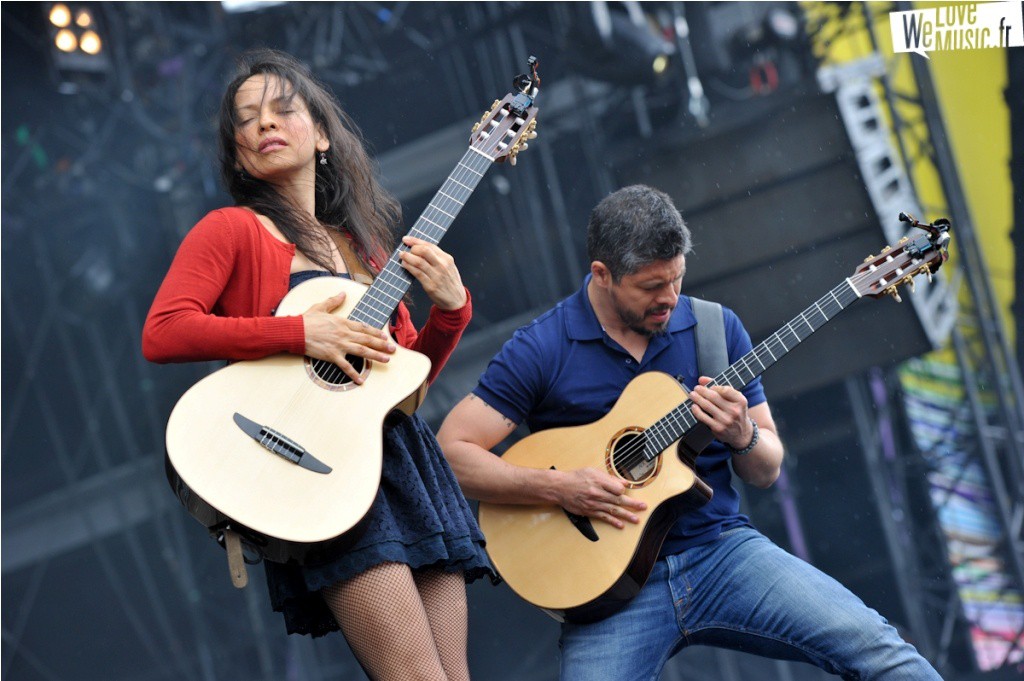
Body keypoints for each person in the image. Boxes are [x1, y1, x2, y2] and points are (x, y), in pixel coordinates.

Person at [437, 185, 942, 680]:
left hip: (722, 554)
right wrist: (560, 487)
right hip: (608, 595)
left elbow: (766, 469)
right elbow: (452, 452)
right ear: (602, 274)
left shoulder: (714, 329)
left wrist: (742, 433)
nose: (670, 298)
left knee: (879, 650)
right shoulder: (543, 347)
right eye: (652, 287)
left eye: (676, 280)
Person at [142, 49, 491, 681]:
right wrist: (301, 331)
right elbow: (164, 332)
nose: (263, 125)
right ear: (239, 154)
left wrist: (451, 313)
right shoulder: (231, 230)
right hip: (320, 470)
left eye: (282, 109)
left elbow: (400, 385)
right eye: (245, 121)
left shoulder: (366, 248)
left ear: (322, 133)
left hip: (404, 464)